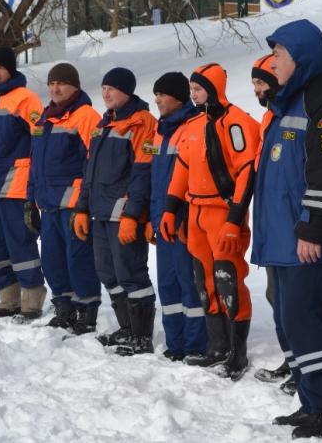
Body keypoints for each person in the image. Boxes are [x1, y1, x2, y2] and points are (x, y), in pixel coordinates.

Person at [251, 19, 322, 440]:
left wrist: (313, 230)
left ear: (301, 58)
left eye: (279, 56)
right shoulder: (290, 102)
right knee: (294, 322)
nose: (273, 64)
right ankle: (313, 401)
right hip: (284, 239)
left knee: (305, 319)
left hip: (311, 241)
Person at [159, 63, 260, 381]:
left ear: (215, 87)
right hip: (196, 213)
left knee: (227, 277)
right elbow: (182, 170)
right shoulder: (192, 126)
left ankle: (237, 351)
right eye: (191, 89)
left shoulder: (237, 122)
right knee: (204, 281)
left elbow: (246, 171)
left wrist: (234, 219)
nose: (193, 94)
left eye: (199, 89)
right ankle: (216, 346)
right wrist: (170, 209)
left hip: (221, 212)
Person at [72, 67, 158, 355]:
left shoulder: (143, 123)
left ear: (127, 91)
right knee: (107, 273)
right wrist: (82, 208)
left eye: (112, 88)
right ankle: (126, 328)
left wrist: (132, 215)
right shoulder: (102, 124)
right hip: (99, 212)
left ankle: (142, 336)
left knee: (131, 273)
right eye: (104, 88)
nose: (106, 93)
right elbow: (89, 172)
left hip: (123, 215)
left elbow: (142, 173)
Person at [26, 63, 102, 334]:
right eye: (51, 83)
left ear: (75, 87)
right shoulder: (44, 119)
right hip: (48, 203)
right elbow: (34, 163)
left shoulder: (86, 116)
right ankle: (64, 308)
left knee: (78, 259)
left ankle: (87, 311)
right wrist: (29, 200)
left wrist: (85, 202)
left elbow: (95, 162)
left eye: (61, 83)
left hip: (74, 204)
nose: (55, 88)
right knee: (52, 261)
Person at [0, 47, 47, 321]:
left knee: (21, 243)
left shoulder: (25, 99)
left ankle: (31, 299)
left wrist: (35, 182)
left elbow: (39, 139)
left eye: (0, 68)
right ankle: (8, 299)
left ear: (11, 70)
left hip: (16, 184)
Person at [146, 71, 207, 361]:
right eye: (156, 94)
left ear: (178, 97)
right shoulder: (161, 129)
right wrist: (151, 218)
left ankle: (196, 344)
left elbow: (192, 179)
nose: (157, 99)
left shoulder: (192, 126)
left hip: (182, 221)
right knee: (168, 284)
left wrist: (182, 217)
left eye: (162, 94)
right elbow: (155, 179)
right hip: (162, 220)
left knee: (189, 284)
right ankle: (176, 343)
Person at [249, 54, 296, 395]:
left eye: (262, 82)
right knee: (274, 295)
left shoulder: (294, 115)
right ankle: (292, 359)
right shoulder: (269, 118)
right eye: (253, 83)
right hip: (271, 223)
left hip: (293, 227)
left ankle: (306, 366)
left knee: (297, 302)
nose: (257, 89)